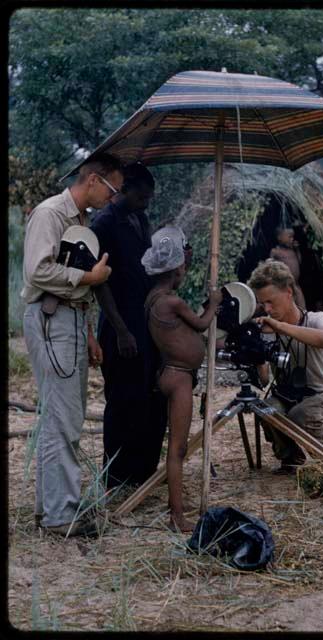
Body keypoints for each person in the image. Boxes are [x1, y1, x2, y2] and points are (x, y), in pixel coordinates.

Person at [21, 153, 124, 536]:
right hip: (51, 319)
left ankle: (53, 507)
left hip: (71, 320)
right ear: (93, 180)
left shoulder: (80, 219)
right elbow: (39, 270)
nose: (112, 199)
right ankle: (60, 514)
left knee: (63, 416)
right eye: (111, 190)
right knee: (62, 419)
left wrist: (90, 333)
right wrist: (89, 276)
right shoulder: (50, 214)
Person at [90, 162, 167, 489]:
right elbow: (99, 283)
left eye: (149, 199)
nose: (145, 203)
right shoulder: (103, 223)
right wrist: (121, 331)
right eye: (141, 197)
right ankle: (117, 476)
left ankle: (143, 471)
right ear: (123, 189)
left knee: (149, 395)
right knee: (122, 398)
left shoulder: (140, 218)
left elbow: (148, 264)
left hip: (145, 317)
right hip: (118, 322)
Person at [142, 226, 222, 532]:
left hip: (172, 374)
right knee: (177, 449)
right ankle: (176, 517)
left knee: (177, 446)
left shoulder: (155, 297)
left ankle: (175, 502)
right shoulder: (171, 302)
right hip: (178, 378)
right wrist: (213, 302)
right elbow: (201, 324)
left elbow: (181, 333)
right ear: (178, 269)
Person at [247, 259, 323, 474]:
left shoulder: (317, 319)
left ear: (289, 292)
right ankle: (291, 458)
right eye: (263, 304)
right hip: (288, 398)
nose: (268, 309)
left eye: (271, 302)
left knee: (301, 414)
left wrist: (280, 328)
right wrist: (256, 353)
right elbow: (264, 381)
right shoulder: (267, 329)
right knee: (265, 409)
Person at [269, 227, 306, 309]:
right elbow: (271, 266)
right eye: (289, 237)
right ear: (279, 238)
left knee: (302, 308)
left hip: (296, 285)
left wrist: (297, 250)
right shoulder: (276, 252)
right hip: (285, 286)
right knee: (289, 307)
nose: (292, 239)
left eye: (293, 237)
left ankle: (303, 319)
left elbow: (299, 262)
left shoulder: (292, 250)